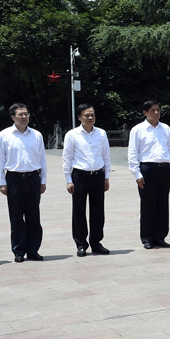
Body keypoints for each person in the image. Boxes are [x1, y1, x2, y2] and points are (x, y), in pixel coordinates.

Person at [0, 103, 47, 263]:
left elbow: (42, 158)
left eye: (26, 114)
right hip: (14, 178)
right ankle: (19, 251)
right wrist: (2, 182)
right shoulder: (4, 135)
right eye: (20, 114)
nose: (24, 117)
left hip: (33, 178)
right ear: (13, 117)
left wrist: (43, 180)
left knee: (34, 216)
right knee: (16, 217)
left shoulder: (36, 135)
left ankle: (33, 250)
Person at [62, 104, 111, 257]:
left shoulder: (101, 134)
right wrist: (68, 180)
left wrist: (107, 176)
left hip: (97, 175)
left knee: (98, 211)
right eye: (86, 115)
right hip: (80, 176)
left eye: (92, 115)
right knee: (78, 211)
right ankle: (81, 244)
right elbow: (67, 158)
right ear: (79, 117)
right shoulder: (72, 134)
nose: (90, 118)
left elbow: (106, 156)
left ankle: (96, 243)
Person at [128, 100, 170, 249]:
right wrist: (137, 173)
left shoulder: (166, 129)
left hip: (164, 168)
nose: (156, 113)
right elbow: (132, 153)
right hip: (147, 169)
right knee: (148, 204)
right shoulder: (138, 130)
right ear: (145, 112)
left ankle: (160, 236)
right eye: (152, 110)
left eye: (158, 110)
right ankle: (147, 237)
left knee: (162, 204)